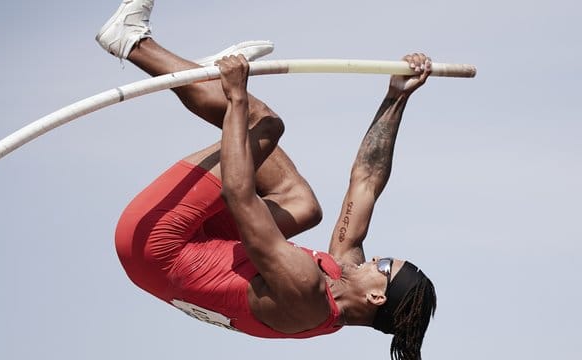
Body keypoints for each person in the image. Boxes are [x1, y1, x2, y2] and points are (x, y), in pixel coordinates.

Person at [96, 1, 437, 360]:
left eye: (384, 266)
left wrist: (237, 98)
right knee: (303, 206)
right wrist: (396, 97)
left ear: (376, 296)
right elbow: (366, 180)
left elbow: (239, 195)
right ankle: (208, 76)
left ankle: (132, 42)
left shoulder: (305, 292)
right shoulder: (342, 277)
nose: (378, 257)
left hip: (153, 244)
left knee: (263, 124)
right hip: (188, 256)